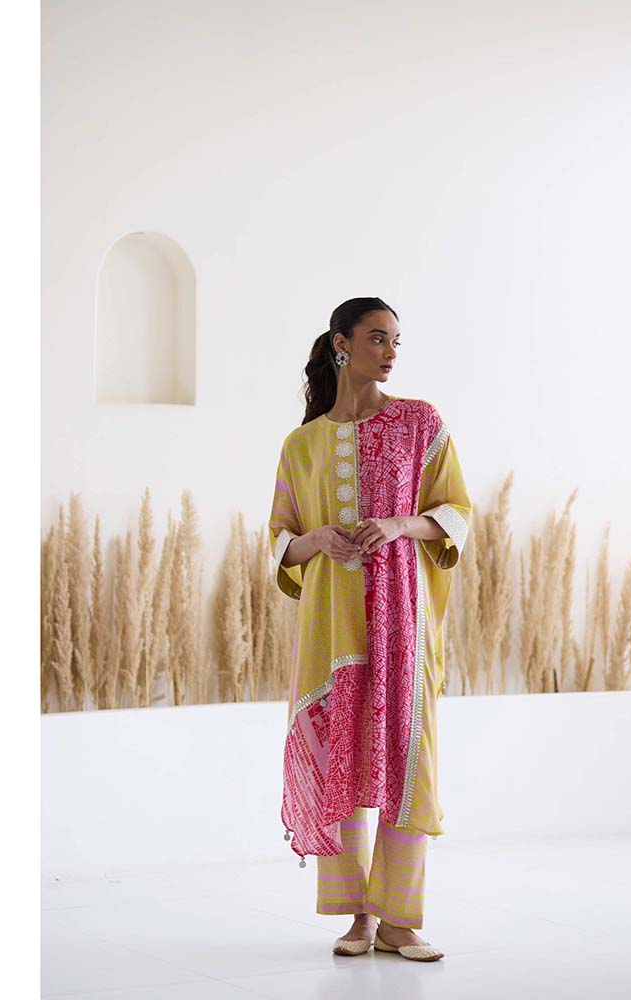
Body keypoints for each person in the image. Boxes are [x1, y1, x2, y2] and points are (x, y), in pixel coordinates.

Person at [267, 296, 472, 963]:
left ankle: (399, 919)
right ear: (341, 344)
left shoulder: (420, 422)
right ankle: (356, 917)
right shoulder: (301, 445)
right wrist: (319, 539)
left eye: (396, 341)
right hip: (330, 628)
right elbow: (281, 540)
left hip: (401, 620)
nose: (390, 352)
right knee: (342, 760)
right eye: (378, 338)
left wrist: (399, 524)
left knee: (405, 759)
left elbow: (456, 512)